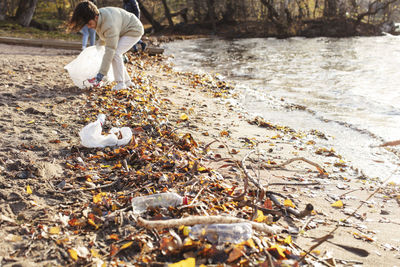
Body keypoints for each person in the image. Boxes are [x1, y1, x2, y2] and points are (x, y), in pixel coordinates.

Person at [68, 1, 144, 91]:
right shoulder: (99, 18)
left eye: (89, 24)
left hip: (134, 30)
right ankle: (128, 82)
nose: (88, 27)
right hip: (123, 30)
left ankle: (121, 83)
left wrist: (101, 74)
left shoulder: (109, 24)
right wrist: (97, 48)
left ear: (96, 18)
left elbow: (110, 49)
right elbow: (104, 37)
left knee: (115, 53)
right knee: (115, 54)